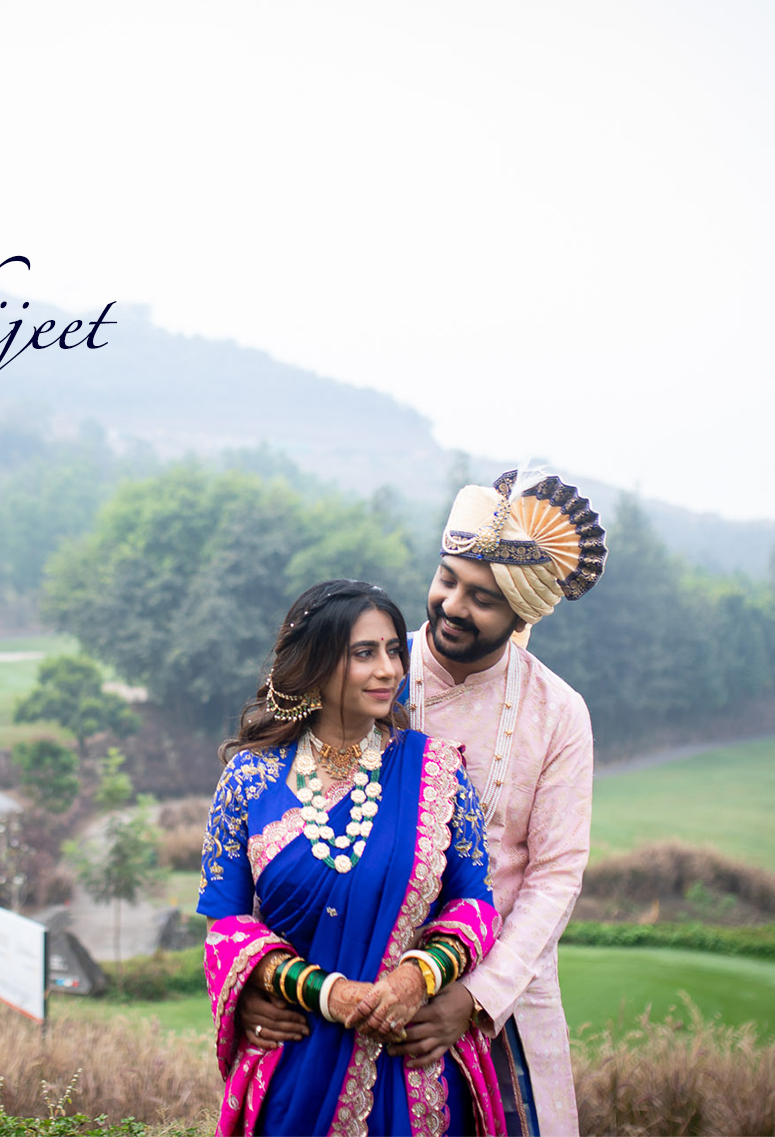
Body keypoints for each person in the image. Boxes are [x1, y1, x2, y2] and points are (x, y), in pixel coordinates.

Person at [237, 470, 606, 1136]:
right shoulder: (369, 674)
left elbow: (555, 876)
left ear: (521, 614)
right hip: (340, 986)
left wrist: (472, 997)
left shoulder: (557, 713)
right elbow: (279, 834)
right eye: (447, 579)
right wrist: (256, 984)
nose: (454, 605)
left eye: (483, 598)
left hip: (495, 997)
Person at [199, 580, 505, 1136]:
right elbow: (226, 928)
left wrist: (418, 976)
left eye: (393, 651)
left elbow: (476, 906)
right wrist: (325, 993)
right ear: (315, 665)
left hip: (414, 1060)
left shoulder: (437, 771)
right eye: (364, 653)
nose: (388, 670)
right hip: (296, 1064)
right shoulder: (249, 780)